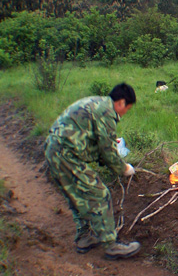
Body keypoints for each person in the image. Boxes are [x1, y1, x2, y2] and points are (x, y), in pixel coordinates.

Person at [44, 83, 141, 259]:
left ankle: (84, 237)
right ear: (120, 102)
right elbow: (108, 151)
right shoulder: (106, 112)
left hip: (54, 151)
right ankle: (111, 245)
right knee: (100, 193)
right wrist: (124, 168)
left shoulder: (97, 103)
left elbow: (92, 140)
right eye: (127, 107)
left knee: (76, 195)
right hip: (66, 155)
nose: (126, 111)